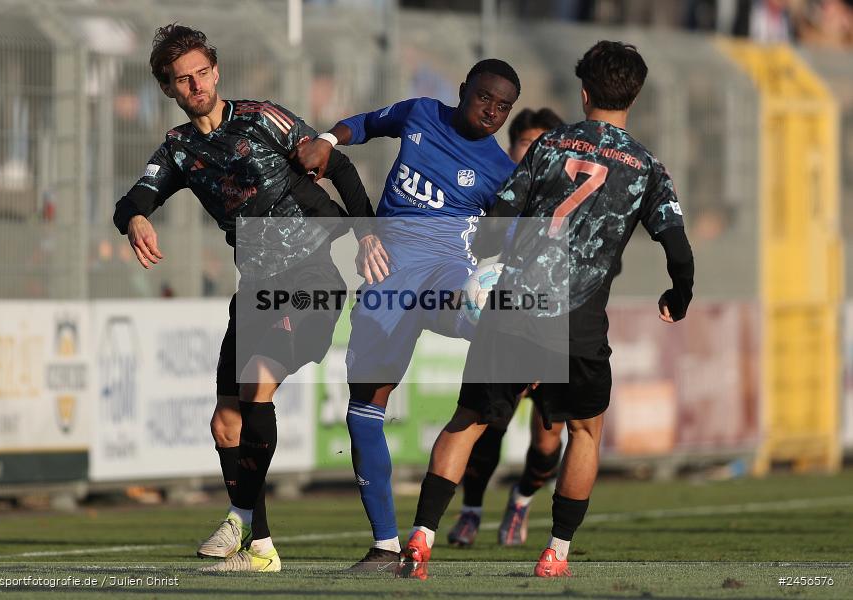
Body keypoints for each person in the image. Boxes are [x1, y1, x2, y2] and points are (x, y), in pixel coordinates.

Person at [397, 40, 695, 580]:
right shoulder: (647, 168)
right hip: (578, 323)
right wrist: (679, 295)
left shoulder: (550, 146)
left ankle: (420, 537)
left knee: (467, 421)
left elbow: (497, 223)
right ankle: (554, 552)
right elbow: (678, 247)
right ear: (635, 97)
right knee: (584, 432)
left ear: (583, 93)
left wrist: (489, 265)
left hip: (513, 306)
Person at [112, 24, 374, 573]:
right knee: (225, 423)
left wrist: (369, 233)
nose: (195, 85)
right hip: (255, 288)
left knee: (257, 379)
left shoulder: (263, 119)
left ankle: (248, 535)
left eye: (202, 72)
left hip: (311, 278)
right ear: (169, 89)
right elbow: (136, 196)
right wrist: (136, 217)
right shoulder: (180, 149)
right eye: (182, 80)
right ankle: (253, 537)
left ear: (216, 71)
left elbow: (337, 163)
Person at [295, 59, 521, 570]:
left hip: (446, 275)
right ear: (463, 91)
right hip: (388, 276)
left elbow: (511, 236)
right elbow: (370, 124)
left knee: (482, 308)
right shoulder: (421, 113)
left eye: (503, 106)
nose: (492, 111)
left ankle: (515, 344)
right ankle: (385, 545)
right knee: (364, 407)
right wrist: (329, 138)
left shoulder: (501, 171)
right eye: (484, 98)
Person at [446, 107, 569, 549]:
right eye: (525, 145)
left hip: (552, 328)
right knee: (487, 420)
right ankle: (471, 511)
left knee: (548, 434)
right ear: (512, 147)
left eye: (543, 144)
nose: (534, 153)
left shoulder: (566, 199)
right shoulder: (497, 195)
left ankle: (521, 500)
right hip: (501, 324)